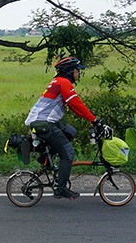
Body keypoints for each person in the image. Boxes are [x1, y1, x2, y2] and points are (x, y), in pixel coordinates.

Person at [25, 56, 111, 199]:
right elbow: (76, 103)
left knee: (71, 132)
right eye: (77, 70)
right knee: (68, 154)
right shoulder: (63, 83)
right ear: (70, 71)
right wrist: (94, 120)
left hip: (44, 120)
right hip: (43, 123)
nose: (79, 73)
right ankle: (60, 189)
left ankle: (46, 158)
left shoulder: (58, 82)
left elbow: (74, 107)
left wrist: (91, 119)